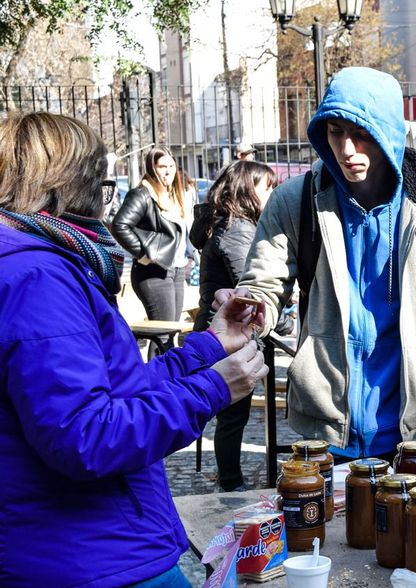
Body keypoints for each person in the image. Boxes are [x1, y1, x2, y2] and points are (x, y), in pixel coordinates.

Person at [0, 112, 267, 587]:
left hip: (90, 550)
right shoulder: (36, 277)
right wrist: (212, 389)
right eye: (101, 186)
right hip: (90, 558)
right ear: (63, 187)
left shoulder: (33, 265)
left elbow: (113, 390)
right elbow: (85, 436)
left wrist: (208, 347)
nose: (103, 203)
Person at [229, 67, 416, 461]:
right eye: (335, 132)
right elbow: (264, 286)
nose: (347, 149)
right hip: (325, 431)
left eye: (361, 134)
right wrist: (247, 310)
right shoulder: (295, 200)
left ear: (387, 130)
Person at [190, 160, 289, 491]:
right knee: (232, 417)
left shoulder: (228, 224)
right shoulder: (237, 229)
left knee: (231, 415)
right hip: (225, 335)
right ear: (248, 190)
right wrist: (283, 317)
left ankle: (229, 478)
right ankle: (230, 483)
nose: (272, 193)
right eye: (267, 187)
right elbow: (248, 287)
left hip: (219, 331)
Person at [112, 146, 195, 329]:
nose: (168, 171)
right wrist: (143, 255)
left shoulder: (173, 195)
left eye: (171, 166)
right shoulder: (143, 194)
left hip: (177, 269)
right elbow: (119, 226)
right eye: (162, 166)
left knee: (172, 331)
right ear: (152, 168)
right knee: (163, 334)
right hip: (153, 272)